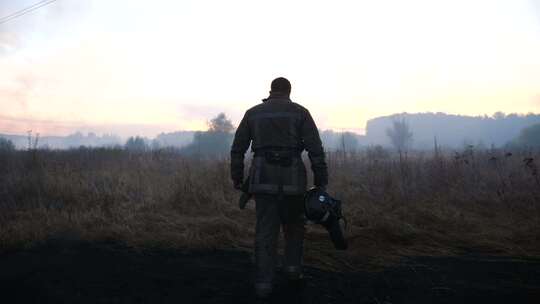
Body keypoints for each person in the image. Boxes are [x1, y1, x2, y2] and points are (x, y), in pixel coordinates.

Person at [230, 77, 328, 298]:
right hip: (294, 182)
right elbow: (315, 149)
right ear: (289, 91)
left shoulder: (253, 113)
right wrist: (321, 180)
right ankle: (293, 272)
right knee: (294, 227)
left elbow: (237, 149)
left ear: (271, 91)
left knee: (265, 231)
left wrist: (237, 178)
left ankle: (263, 284)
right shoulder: (301, 113)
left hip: (262, 181)